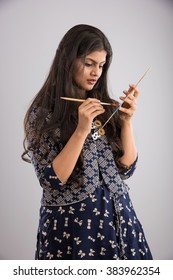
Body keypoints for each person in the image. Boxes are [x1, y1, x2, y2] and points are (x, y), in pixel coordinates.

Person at [22, 24, 153, 260]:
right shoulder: (42, 114)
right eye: (89, 63)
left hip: (121, 224)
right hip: (74, 231)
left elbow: (127, 168)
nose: (96, 72)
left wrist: (127, 122)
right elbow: (51, 181)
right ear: (68, 60)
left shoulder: (105, 107)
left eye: (101, 65)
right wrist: (81, 130)